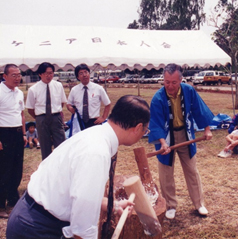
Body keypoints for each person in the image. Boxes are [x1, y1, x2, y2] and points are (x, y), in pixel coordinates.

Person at [6, 95, 149, 239]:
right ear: (138, 128)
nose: (144, 133)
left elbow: (78, 192)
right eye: (145, 130)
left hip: (34, 218)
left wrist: (113, 205)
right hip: (35, 228)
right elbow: (82, 228)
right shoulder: (96, 152)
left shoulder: (96, 135)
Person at [148, 63, 213, 220]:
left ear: (181, 80)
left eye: (174, 82)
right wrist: (163, 143)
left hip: (186, 135)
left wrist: (207, 129)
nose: (170, 86)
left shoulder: (188, 90)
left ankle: (199, 204)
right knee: (165, 173)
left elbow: (199, 110)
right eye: (167, 82)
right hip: (165, 137)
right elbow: (155, 123)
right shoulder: (158, 98)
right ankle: (170, 205)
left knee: (192, 170)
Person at [0, 64, 27, 219]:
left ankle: (12, 201)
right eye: (14, 75)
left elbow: (22, 114)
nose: (18, 78)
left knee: (17, 169)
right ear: (5, 76)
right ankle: (0, 204)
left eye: (19, 75)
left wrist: (23, 134)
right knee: (4, 170)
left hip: (17, 133)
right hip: (4, 133)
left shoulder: (18, 93)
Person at [26, 62, 67, 160]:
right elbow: (30, 108)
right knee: (45, 146)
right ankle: (47, 171)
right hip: (41, 118)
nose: (49, 76)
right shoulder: (33, 89)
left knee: (61, 144)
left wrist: (55, 113)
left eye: (51, 73)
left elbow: (62, 102)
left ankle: (61, 168)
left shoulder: (58, 85)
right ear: (40, 74)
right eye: (46, 73)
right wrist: (39, 118)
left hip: (56, 117)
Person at [67, 64, 111, 129]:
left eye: (86, 72)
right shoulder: (74, 90)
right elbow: (69, 104)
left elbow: (108, 104)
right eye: (81, 73)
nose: (84, 75)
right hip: (79, 122)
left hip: (94, 122)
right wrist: (70, 108)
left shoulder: (98, 88)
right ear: (78, 77)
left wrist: (103, 118)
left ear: (89, 74)